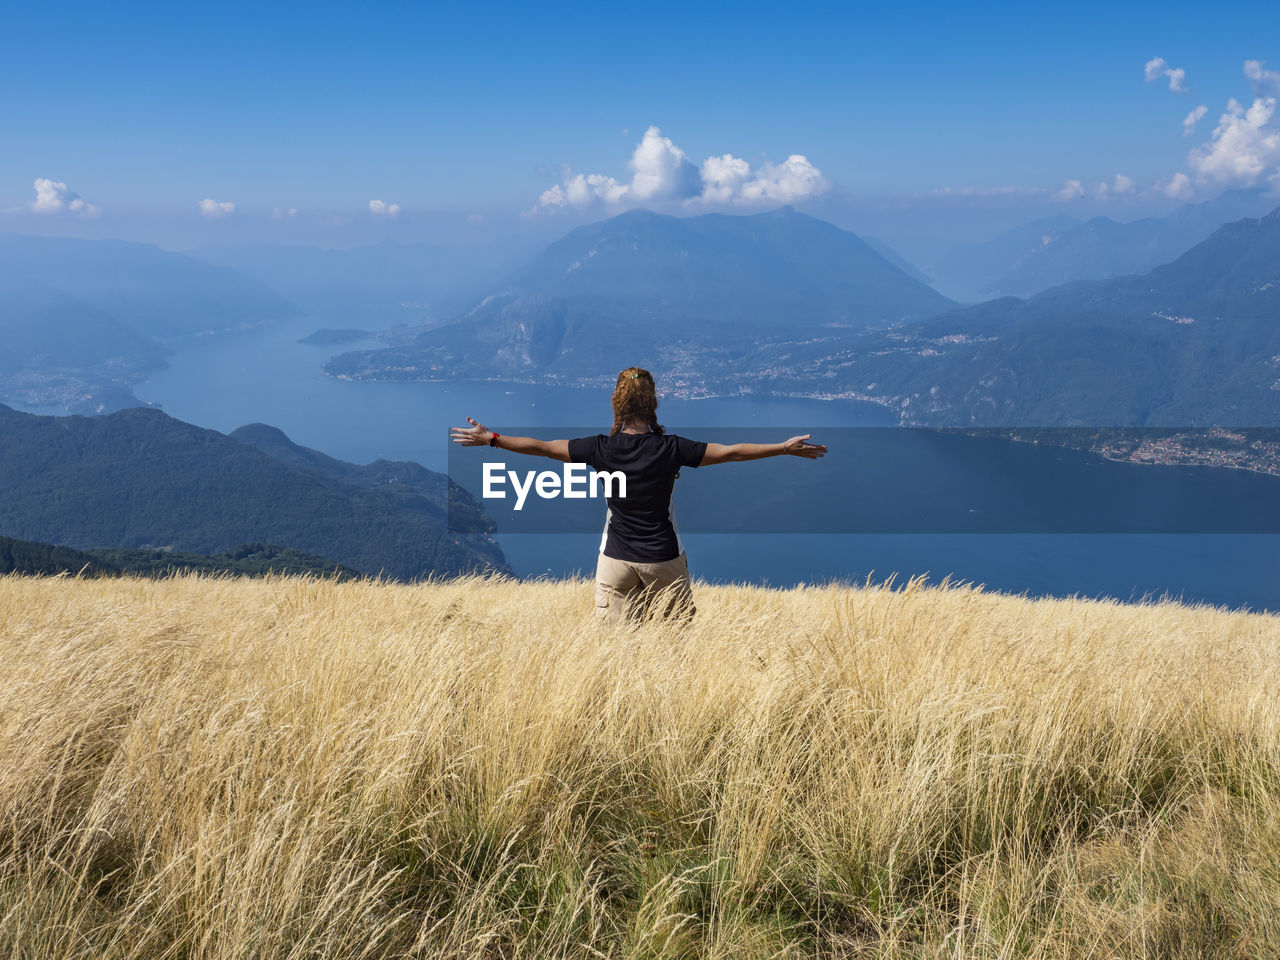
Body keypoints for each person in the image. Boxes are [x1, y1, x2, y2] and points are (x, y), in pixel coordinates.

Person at [450, 366, 826, 623]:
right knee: (673, 644)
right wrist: (782, 447)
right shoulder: (672, 448)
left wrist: (493, 439)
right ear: (653, 403)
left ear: (617, 403)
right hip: (662, 558)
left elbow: (543, 447)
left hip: (614, 560)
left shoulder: (599, 448)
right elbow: (730, 452)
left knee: (616, 652)